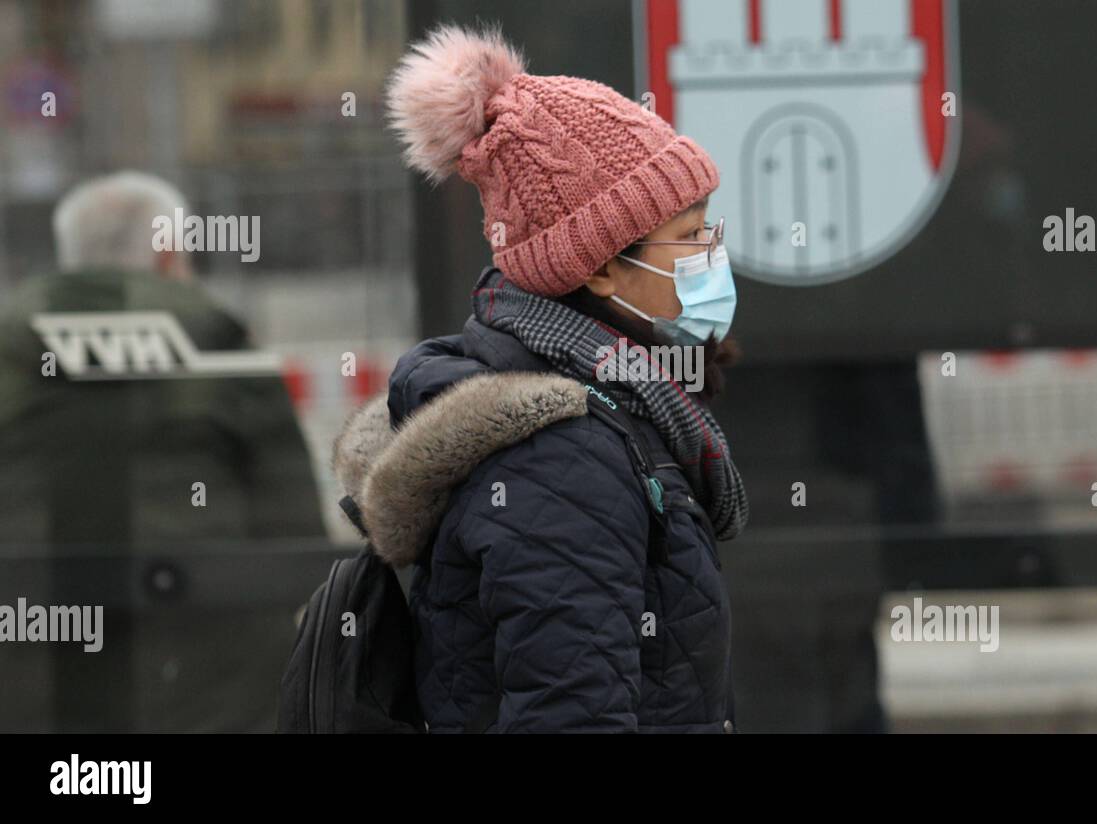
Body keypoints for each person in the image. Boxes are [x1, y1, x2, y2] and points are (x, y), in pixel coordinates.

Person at [332, 23, 747, 732]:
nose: (712, 252)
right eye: (688, 235)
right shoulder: (563, 456)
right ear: (602, 268)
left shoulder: (613, 409)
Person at [0, 171, 326, 732]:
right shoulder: (216, 336)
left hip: (29, 679)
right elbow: (297, 542)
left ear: (69, 252)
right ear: (169, 253)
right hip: (210, 688)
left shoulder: (9, 336)